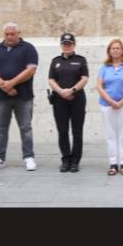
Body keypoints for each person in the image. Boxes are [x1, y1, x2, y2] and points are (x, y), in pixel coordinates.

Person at [0, 23, 39, 171]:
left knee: (26, 128)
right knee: (1, 129)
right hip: (1, 98)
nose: (9, 36)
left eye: (12, 34)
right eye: (7, 34)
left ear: (18, 33)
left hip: (24, 97)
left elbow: (31, 70)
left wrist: (11, 83)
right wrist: (4, 85)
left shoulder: (28, 48)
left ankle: (29, 157)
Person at [48, 33, 89, 173]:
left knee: (77, 132)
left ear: (74, 45)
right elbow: (51, 80)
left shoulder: (81, 60)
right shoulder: (55, 61)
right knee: (62, 131)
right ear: (61, 45)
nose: (67, 46)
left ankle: (75, 161)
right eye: (65, 43)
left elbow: (84, 78)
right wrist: (61, 91)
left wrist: (72, 90)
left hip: (77, 99)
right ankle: (65, 160)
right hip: (59, 101)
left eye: (69, 43)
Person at [97, 38, 123, 176]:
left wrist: (121, 102)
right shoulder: (104, 67)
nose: (115, 50)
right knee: (111, 135)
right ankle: (113, 163)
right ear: (109, 51)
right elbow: (99, 86)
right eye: (113, 48)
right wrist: (110, 101)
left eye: (118, 48)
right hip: (107, 106)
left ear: (122, 51)